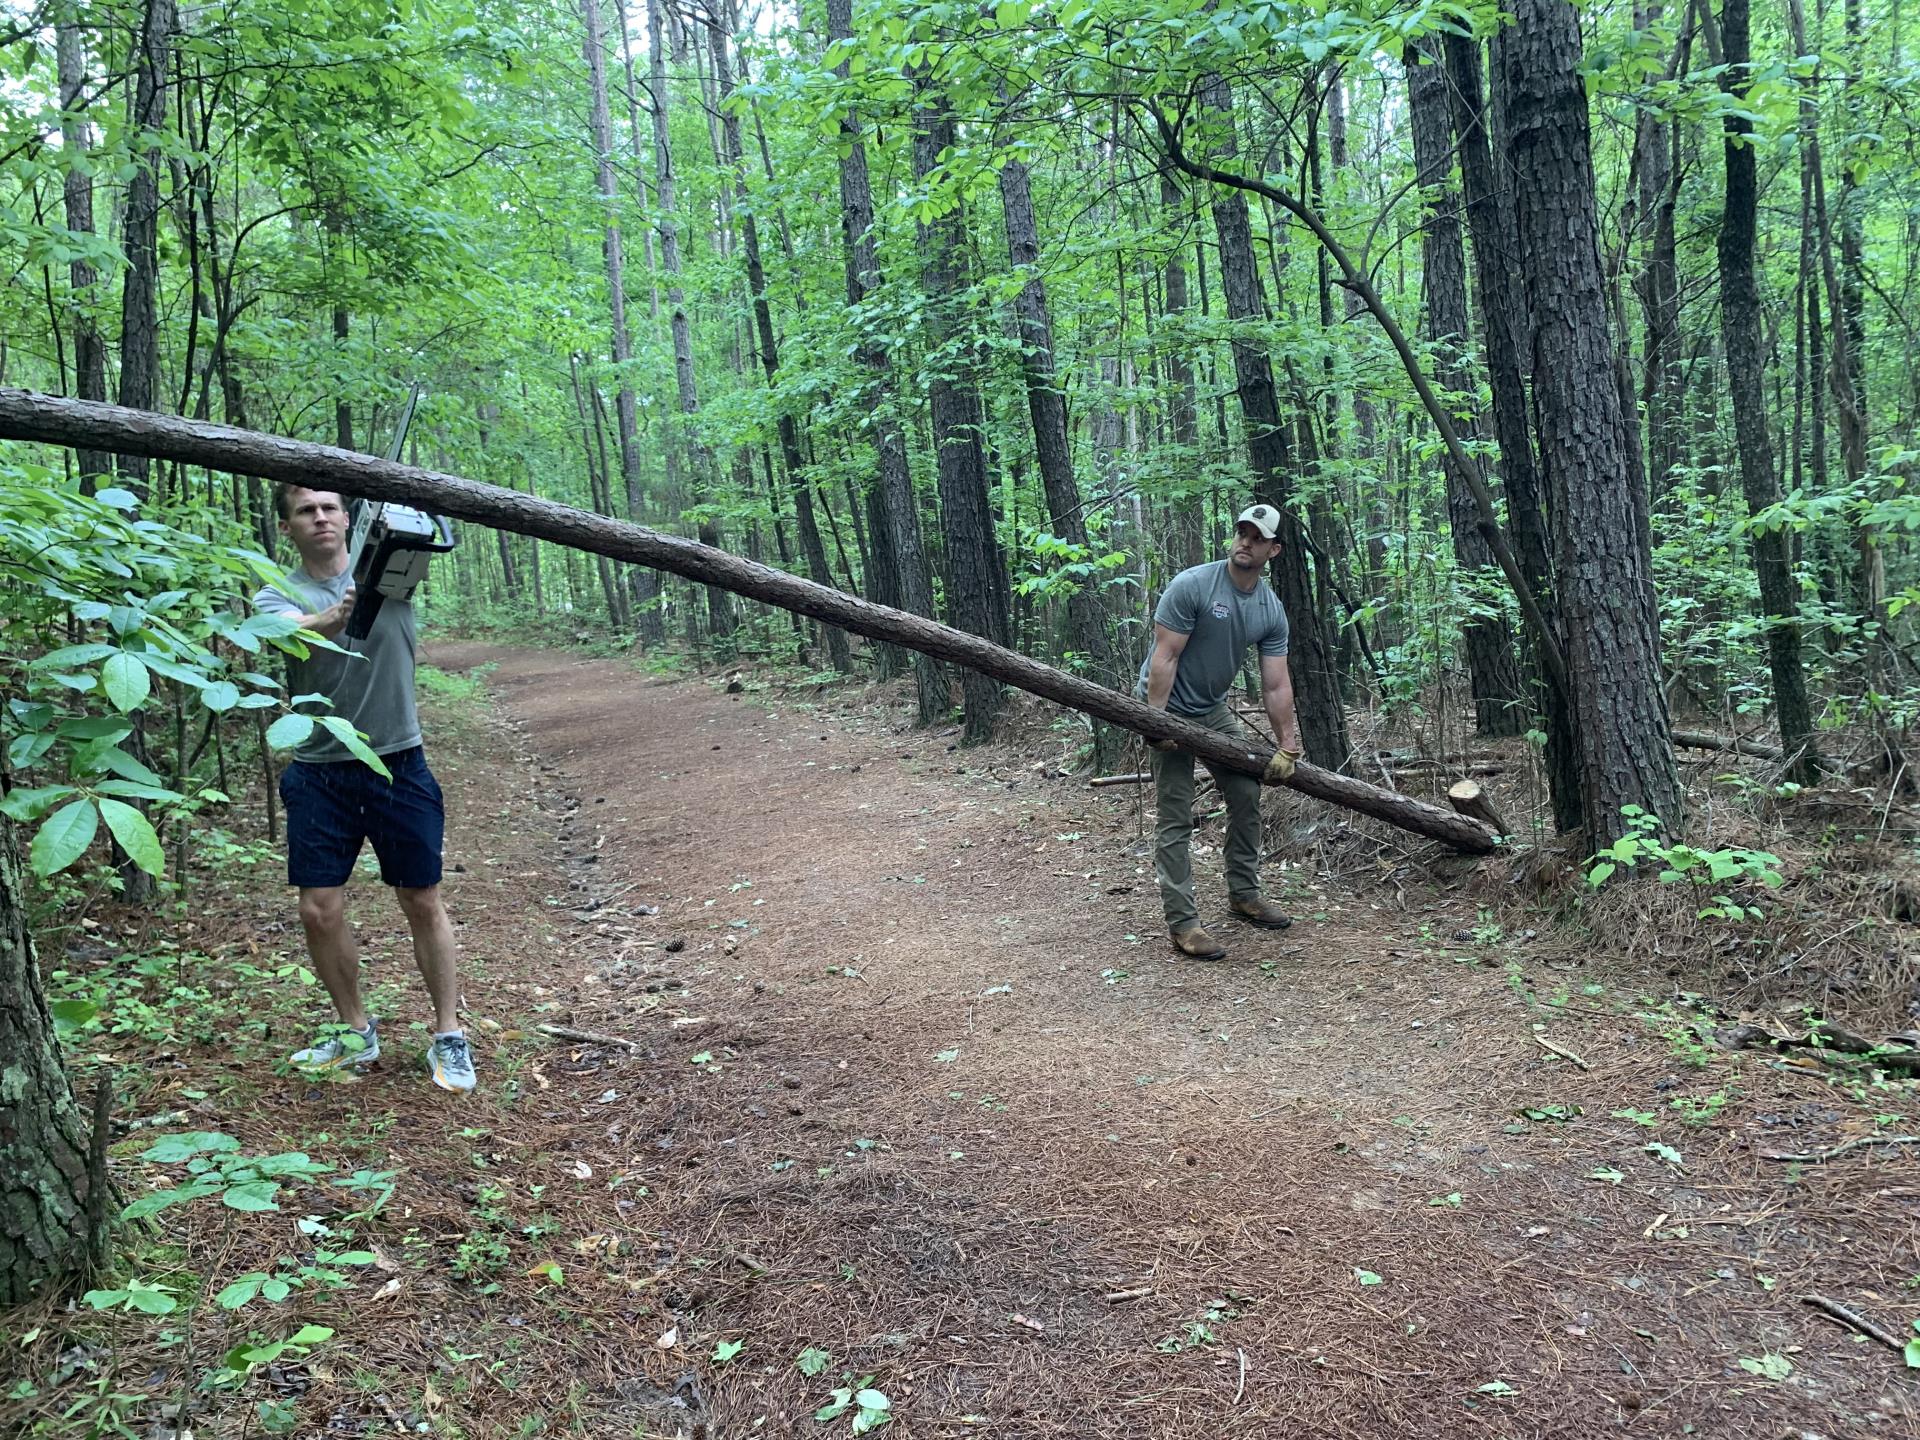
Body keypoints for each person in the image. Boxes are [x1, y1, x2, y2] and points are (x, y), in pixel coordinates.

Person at [253, 484, 476, 1091]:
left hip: (399, 762)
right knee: (317, 910)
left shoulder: (388, 570)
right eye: (305, 511)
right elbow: (276, 633)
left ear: (347, 519)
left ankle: (449, 1035)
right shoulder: (276, 595)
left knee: (421, 899)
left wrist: (394, 525)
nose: (319, 517)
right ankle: (355, 1031)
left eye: (328, 507)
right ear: (288, 527)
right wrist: (329, 617)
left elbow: (426, 531)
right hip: (319, 770)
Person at [1137, 503, 1305, 961]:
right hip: (1164, 703)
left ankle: (1244, 893)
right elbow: (1165, 657)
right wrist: (1155, 722)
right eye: (1241, 532)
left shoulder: (1269, 608)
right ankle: (1184, 924)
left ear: (1274, 549)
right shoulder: (1193, 585)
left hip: (1211, 711)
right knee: (1176, 813)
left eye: (1257, 537)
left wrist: (1287, 744)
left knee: (1246, 791)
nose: (1245, 542)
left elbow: (1275, 682)